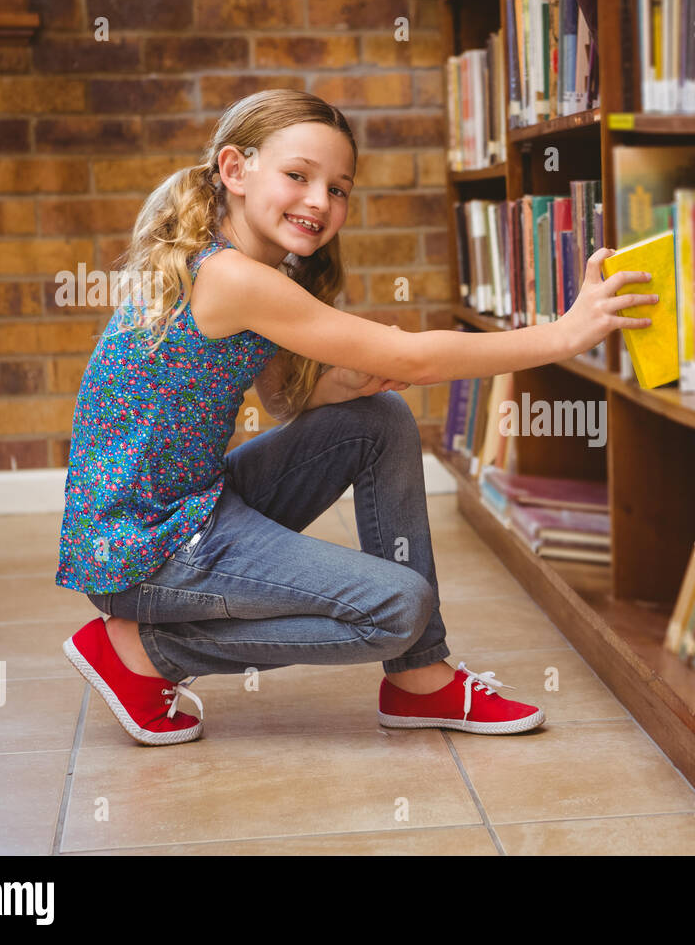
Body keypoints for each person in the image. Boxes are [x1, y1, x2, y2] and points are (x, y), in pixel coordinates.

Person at [54, 89, 657, 746]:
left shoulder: (249, 265)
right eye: (298, 176)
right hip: (149, 551)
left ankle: (419, 679)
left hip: (187, 509)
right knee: (397, 605)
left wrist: (341, 385)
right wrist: (566, 335)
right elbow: (417, 358)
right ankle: (141, 655)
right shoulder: (232, 277)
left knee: (380, 419)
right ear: (234, 170)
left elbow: (283, 400)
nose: (320, 201)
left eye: (339, 189)